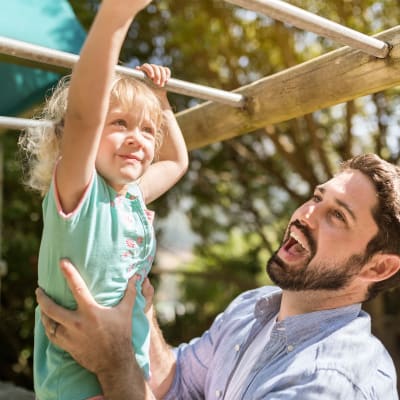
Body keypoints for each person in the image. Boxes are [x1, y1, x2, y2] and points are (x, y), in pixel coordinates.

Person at [37, 153, 400, 399]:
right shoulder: (254, 307)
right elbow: (177, 382)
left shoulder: (329, 382)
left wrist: (114, 363)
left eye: (337, 216)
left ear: (377, 267)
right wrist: (138, 301)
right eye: (317, 198)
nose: (306, 214)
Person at [19, 0, 188, 399]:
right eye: (120, 124)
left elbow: (176, 161)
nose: (138, 138)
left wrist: (162, 102)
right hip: (75, 385)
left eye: (148, 131)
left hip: (127, 374)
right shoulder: (80, 193)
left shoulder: (130, 196)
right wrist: (116, 15)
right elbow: (83, 118)